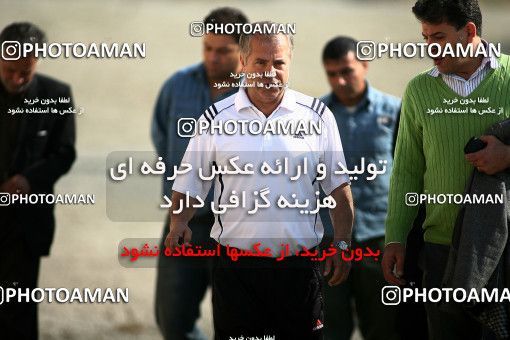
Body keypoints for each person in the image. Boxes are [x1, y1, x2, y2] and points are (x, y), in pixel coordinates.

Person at [164, 22, 354, 340]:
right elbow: (190, 181)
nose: (270, 71)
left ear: (290, 62)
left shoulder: (318, 116)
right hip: (236, 274)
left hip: (299, 272)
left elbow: (338, 188)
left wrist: (343, 243)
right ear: (243, 63)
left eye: (279, 62)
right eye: (261, 62)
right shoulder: (216, 118)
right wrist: (178, 224)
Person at [382, 0, 510, 339]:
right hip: (439, 251)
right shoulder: (419, 90)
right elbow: (407, 169)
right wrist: (395, 236)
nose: (430, 48)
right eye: (425, 38)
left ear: (469, 31)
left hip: (503, 250)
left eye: (438, 36)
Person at [151, 7, 249, 340]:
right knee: (172, 320)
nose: (213, 57)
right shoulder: (177, 86)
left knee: (241, 324)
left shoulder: (260, 94)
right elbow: (163, 139)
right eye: (207, 48)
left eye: (223, 51)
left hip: (240, 228)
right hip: (184, 223)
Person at [319, 36, 401, 340]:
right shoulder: (316, 117)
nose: (340, 80)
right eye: (332, 73)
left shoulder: (394, 112)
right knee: (330, 329)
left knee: (383, 328)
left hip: (378, 240)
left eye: (347, 70)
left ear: (364, 65)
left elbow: (411, 173)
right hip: (329, 243)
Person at [0, 22, 76, 339]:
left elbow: (64, 153)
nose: (17, 80)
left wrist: (27, 181)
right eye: (9, 71)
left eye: (25, 73)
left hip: (25, 224)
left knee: (18, 313)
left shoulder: (56, 94)